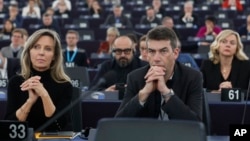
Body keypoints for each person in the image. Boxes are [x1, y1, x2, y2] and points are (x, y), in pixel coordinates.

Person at [115, 26, 202, 121]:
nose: (156, 58)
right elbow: (119, 123)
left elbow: (195, 124)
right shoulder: (135, 78)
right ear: (147, 54)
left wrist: (166, 93)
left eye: (163, 51)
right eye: (152, 51)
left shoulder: (192, 77)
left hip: (179, 135)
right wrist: (143, 94)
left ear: (175, 53)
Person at [4, 29, 73, 131]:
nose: (41, 53)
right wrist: (30, 101)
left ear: (54, 56)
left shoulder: (65, 85)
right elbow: (9, 127)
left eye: (48, 49)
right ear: (29, 51)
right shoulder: (16, 82)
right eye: (36, 47)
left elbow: (59, 127)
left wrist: (44, 95)